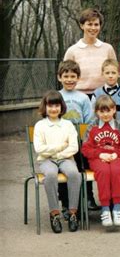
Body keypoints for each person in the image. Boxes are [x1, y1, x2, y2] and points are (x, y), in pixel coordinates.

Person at [33, 90, 81, 233]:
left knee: (74, 174)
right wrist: (60, 146)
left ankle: (73, 213)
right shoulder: (40, 126)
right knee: (51, 175)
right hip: (46, 160)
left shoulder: (68, 125)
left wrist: (59, 153)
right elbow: (40, 149)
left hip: (66, 158)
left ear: (61, 107)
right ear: (45, 107)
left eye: (57, 106)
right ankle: (54, 214)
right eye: (50, 106)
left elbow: (74, 147)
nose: (54, 109)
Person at [81, 95, 120, 227]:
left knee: (116, 171)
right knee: (104, 172)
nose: (105, 114)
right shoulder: (92, 127)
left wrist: (116, 154)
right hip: (98, 158)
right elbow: (85, 149)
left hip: (116, 157)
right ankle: (105, 209)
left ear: (114, 110)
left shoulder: (119, 126)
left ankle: (116, 208)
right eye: (101, 111)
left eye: (108, 110)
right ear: (96, 112)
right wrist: (100, 154)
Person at [57, 60, 97, 211]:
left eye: (73, 76)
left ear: (78, 78)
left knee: (84, 167)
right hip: (62, 142)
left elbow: (89, 121)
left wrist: (86, 139)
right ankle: (65, 202)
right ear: (59, 77)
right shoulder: (56, 96)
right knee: (63, 170)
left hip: (80, 141)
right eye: (66, 76)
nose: (69, 79)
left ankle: (88, 197)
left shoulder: (83, 98)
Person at [63, 8, 117, 95]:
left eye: (96, 24)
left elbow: (114, 72)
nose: (93, 28)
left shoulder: (108, 49)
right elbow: (65, 76)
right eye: (89, 24)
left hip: (103, 96)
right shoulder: (72, 51)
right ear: (82, 26)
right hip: (79, 95)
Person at [91, 59, 120, 140]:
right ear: (102, 74)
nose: (110, 76)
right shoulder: (96, 94)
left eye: (113, 73)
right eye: (107, 73)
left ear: (119, 74)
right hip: (101, 133)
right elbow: (93, 116)